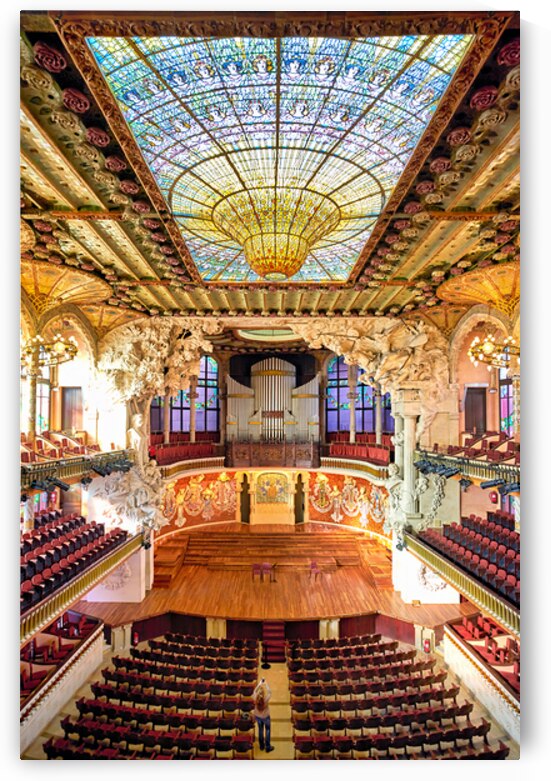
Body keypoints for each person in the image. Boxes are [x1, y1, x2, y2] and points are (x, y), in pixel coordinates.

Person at [252, 678, 274, 753]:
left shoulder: (255, 697)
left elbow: (254, 691)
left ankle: (261, 746)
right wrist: (266, 684)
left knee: (260, 730)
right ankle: (267, 747)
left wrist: (259, 684)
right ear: (263, 694)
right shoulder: (265, 699)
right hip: (266, 717)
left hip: (258, 717)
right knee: (267, 730)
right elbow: (270, 692)